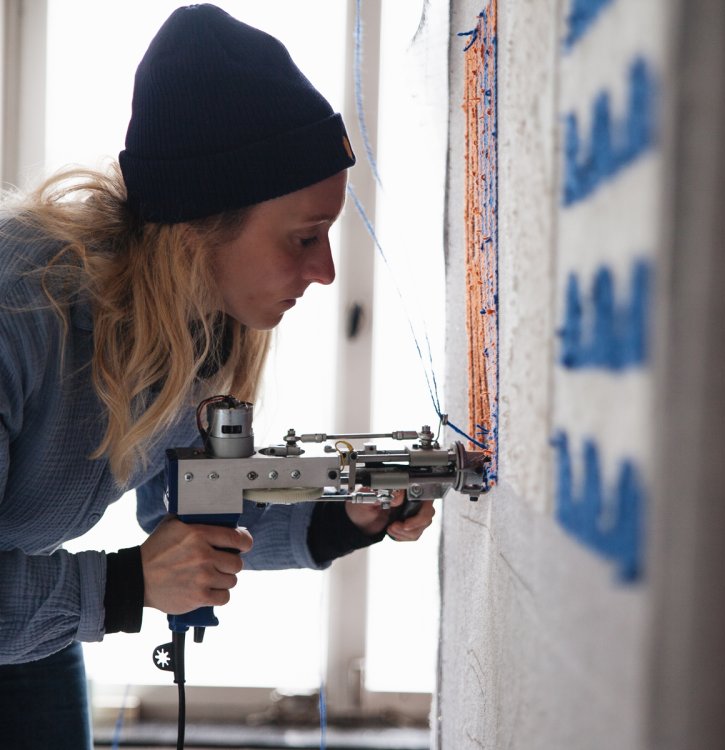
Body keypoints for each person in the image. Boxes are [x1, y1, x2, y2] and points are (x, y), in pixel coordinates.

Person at [0, 5, 435, 747]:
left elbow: (196, 507)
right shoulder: (19, 305)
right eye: (304, 237)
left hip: (26, 606)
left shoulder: (200, 324)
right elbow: (147, 563)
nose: (326, 272)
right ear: (200, 225)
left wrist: (343, 518)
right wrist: (128, 585)